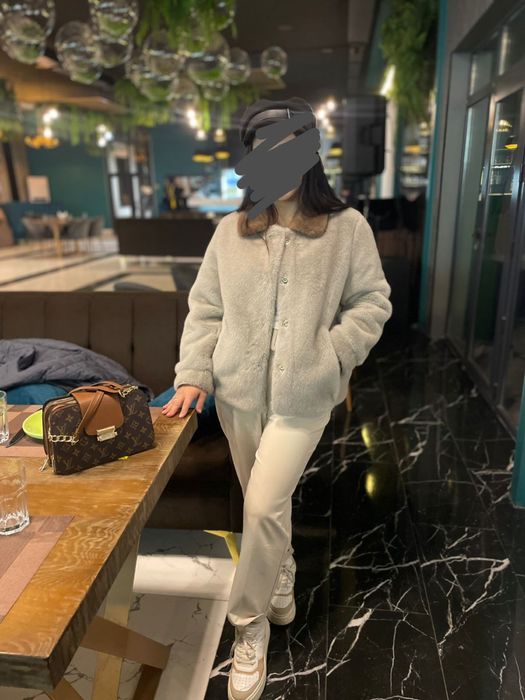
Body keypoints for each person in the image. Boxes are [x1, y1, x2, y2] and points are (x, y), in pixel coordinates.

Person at [162, 97, 393, 700]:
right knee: (266, 503)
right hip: (237, 394)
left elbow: (372, 302)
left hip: (303, 397)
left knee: (263, 505)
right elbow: (206, 309)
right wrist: (194, 374)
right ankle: (281, 568)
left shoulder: (347, 228)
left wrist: (332, 355)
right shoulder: (230, 231)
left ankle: (249, 623)